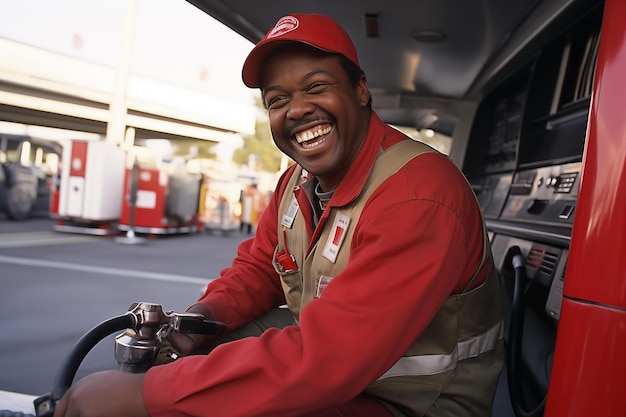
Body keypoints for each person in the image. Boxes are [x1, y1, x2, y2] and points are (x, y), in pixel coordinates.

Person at [53, 13, 504, 417]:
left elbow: (330, 359)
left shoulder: (416, 195)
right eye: (277, 100)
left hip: (417, 401)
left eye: (316, 87)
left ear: (361, 89)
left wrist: (142, 397)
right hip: (354, 375)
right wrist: (203, 318)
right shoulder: (295, 183)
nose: (298, 110)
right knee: (209, 364)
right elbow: (260, 268)